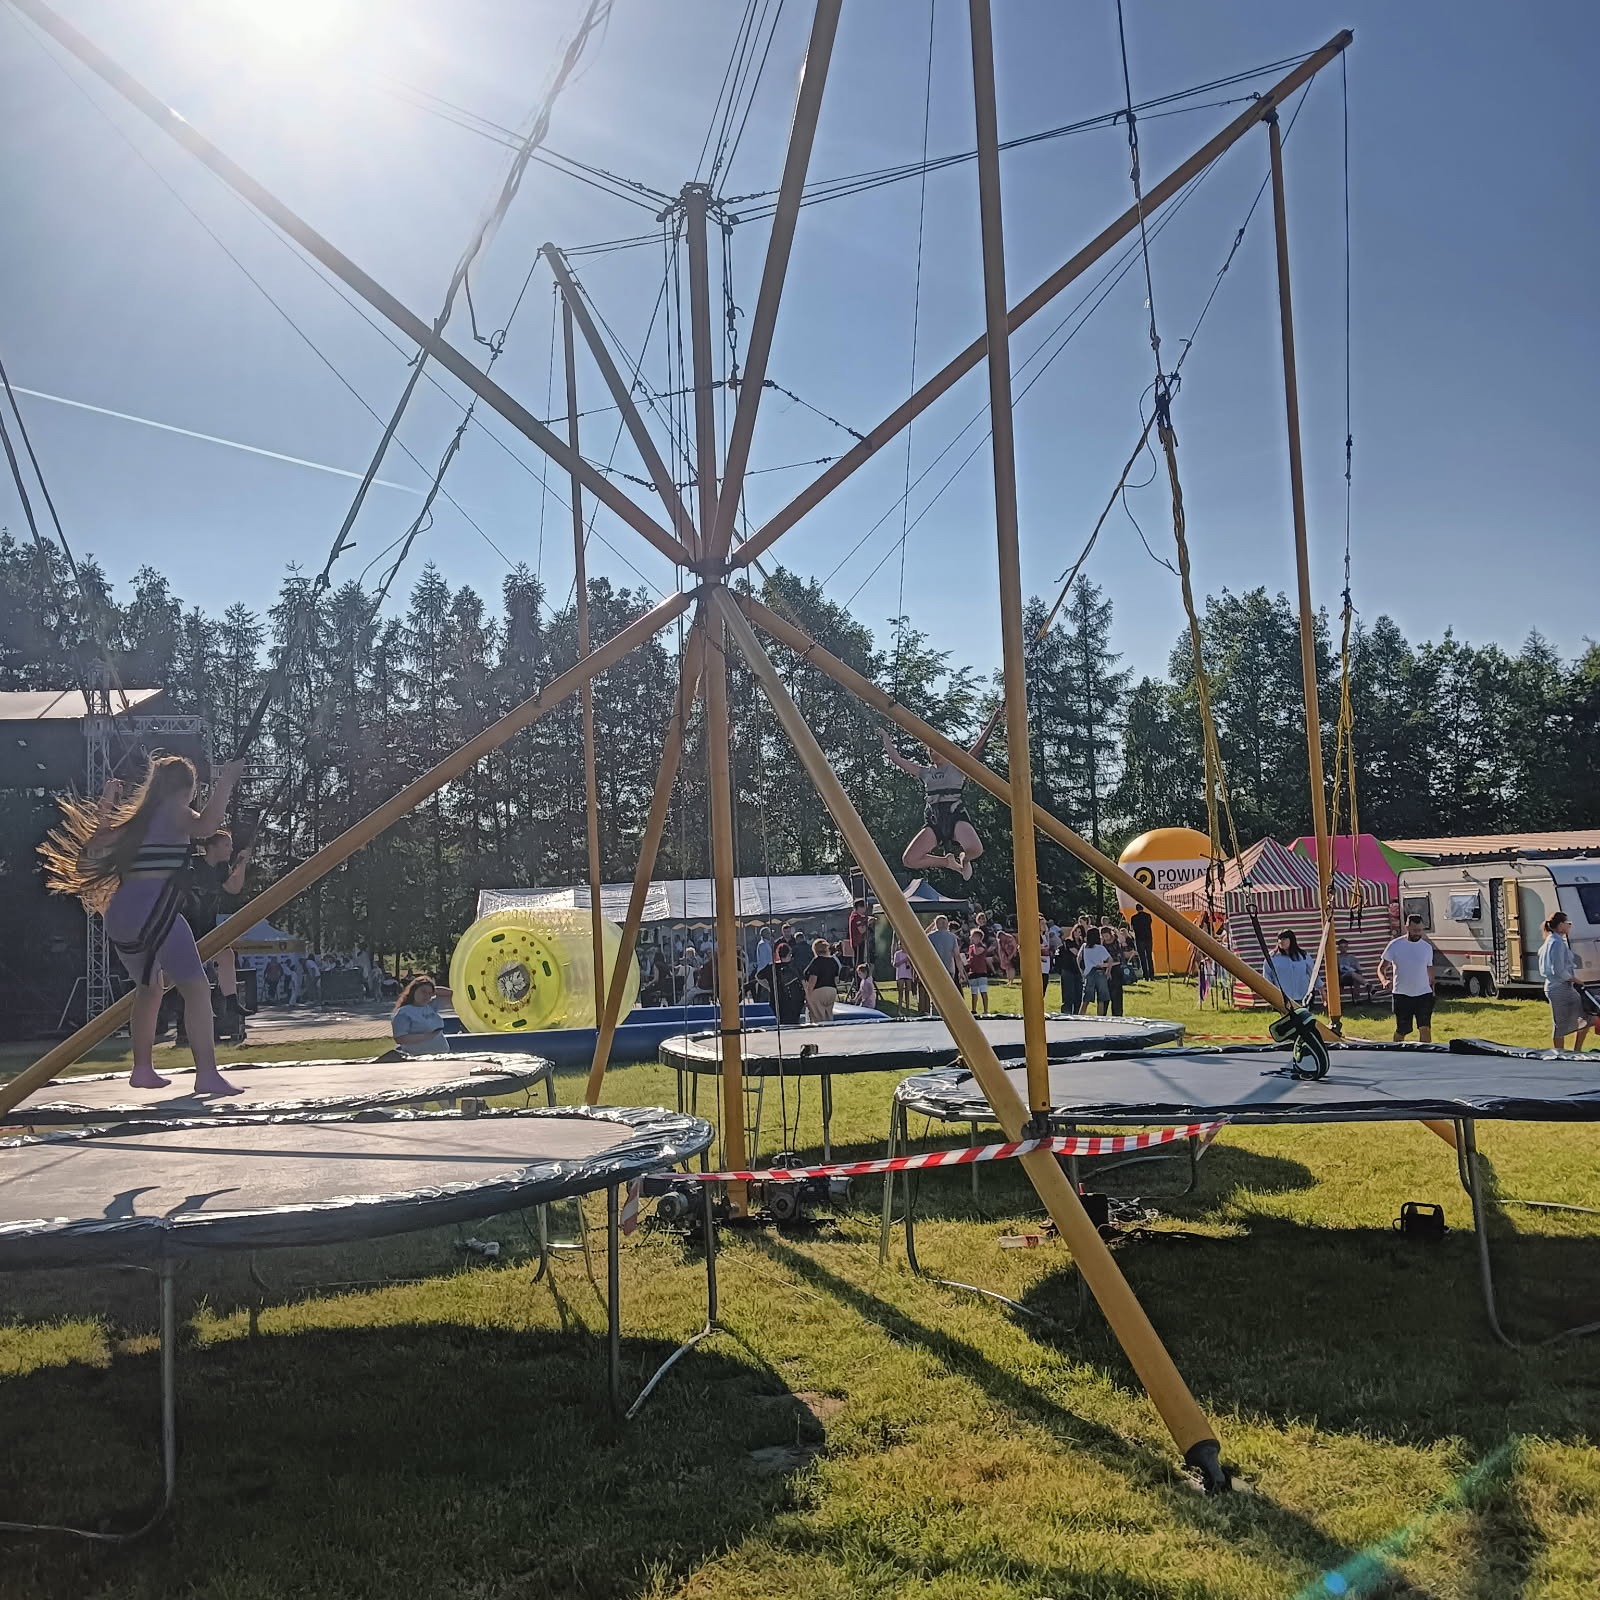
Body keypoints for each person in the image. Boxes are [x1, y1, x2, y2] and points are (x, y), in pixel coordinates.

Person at [40, 753, 246, 1094]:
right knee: (195, 988)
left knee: (150, 989)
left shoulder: (137, 820)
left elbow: (91, 852)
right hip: (155, 912)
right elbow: (208, 827)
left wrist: (106, 808)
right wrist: (226, 781)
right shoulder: (173, 811)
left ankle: (143, 1068)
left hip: (122, 917)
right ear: (189, 788)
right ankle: (207, 1074)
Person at [880, 724, 993, 880]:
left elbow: (978, 746)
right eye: (931, 750)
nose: (933, 752)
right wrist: (886, 739)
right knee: (909, 860)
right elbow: (898, 760)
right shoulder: (925, 772)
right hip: (935, 821)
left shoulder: (958, 767)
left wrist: (993, 720)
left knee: (976, 849)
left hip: (955, 816)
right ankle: (947, 861)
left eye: (937, 749)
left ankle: (963, 859)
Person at [183, 829, 252, 1044]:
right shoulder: (192, 864)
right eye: (226, 845)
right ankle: (196, 1010)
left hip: (207, 925)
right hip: (187, 925)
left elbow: (233, 888)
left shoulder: (221, 868)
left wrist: (241, 864)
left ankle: (230, 1000)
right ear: (211, 847)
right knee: (192, 976)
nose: (230, 849)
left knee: (227, 956)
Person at [1378, 914, 1437, 1044]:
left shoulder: (1426, 948)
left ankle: (1427, 1056)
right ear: (1407, 928)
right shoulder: (1395, 945)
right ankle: (1397, 1052)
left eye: (1420, 930)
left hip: (1423, 994)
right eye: (1415, 930)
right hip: (1402, 994)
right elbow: (1381, 968)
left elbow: (1429, 968)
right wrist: (1384, 980)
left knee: (1425, 1028)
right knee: (1402, 1030)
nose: (1418, 933)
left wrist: (1432, 987)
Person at [1538, 913, 1591, 1051]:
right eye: (1568, 923)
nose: (1570, 926)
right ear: (1561, 925)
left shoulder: (1553, 941)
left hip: (1561, 987)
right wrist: (1576, 980)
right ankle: (1560, 1052)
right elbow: (1558, 969)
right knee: (1561, 1023)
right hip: (1558, 987)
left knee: (1586, 1017)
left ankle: (1576, 1050)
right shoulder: (1555, 943)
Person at [392, 975, 452, 1054]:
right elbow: (400, 1038)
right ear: (414, 991)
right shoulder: (404, 1012)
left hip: (441, 1055)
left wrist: (433, 989)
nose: (426, 996)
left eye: (430, 993)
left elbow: (450, 993)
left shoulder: (431, 1006)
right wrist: (427, 1036)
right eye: (423, 992)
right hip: (418, 1058)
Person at [1263, 929, 1317, 1007]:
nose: (1281, 941)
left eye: (1284, 939)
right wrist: (1271, 995)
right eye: (1279, 939)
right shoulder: (1272, 957)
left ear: (1291, 940)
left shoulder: (1303, 956)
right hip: (1282, 997)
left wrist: (1322, 991)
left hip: (1303, 996)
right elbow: (1267, 977)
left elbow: (1313, 974)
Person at [803, 937, 841, 1023]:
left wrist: (808, 994)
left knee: (818, 1017)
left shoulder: (816, 962)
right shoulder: (833, 961)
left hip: (818, 991)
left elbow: (813, 978)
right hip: (832, 990)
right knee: (829, 1015)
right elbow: (836, 979)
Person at [1079, 926, 1112, 1015]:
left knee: (1086, 998)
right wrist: (1108, 971)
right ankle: (1100, 1018)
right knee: (1101, 998)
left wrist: (1082, 971)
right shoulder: (1100, 948)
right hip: (1100, 971)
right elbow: (1110, 959)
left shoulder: (1084, 946)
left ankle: (1081, 1015)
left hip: (1089, 972)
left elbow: (1078, 958)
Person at [926, 914, 963, 993]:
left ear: (936, 924)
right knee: (948, 992)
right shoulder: (952, 937)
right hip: (949, 968)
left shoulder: (929, 937)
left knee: (936, 993)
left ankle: (934, 1005)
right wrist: (961, 972)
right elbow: (957, 956)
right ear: (946, 924)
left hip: (935, 970)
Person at [1055, 926, 1083, 1014]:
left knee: (1078, 994)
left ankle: (1077, 1013)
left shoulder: (1084, 943)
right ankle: (1066, 1013)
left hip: (1079, 971)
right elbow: (1077, 953)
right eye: (1075, 931)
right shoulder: (1068, 941)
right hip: (1068, 969)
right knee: (1068, 994)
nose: (1076, 934)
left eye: (1079, 932)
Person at [965, 934, 992, 1015]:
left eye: (975, 937)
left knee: (983, 991)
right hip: (973, 972)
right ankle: (973, 1010)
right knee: (973, 992)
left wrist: (975, 945)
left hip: (981, 972)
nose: (973, 938)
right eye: (972, 937)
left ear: (980, 938)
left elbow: (977, 953)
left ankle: (985, 1010)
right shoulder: (970, 948)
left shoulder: (982, 947)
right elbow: (971, 958)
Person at [1130, 905, 1155, 981]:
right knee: (1149, 956)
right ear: (1143, 908)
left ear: (1136, 909)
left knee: (1142, 957)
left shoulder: (1133, 918)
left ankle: (1145, 975)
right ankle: (1151, 975)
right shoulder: (1148, 916)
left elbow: (1132, 928)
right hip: (1148, 938)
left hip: (1139, 938)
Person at [892, 943, 915, 1013]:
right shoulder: (897, 954)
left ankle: (908, 1009)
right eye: (900, 945)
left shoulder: (910, 953)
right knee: (900, 992)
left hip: (908, 975)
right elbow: (895, 964)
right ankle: (900, 1009)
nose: (902, 946)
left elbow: (913, 964)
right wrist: (903, 961)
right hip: (900, 975)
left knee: (907, 992)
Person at [846, 899, 870, 966]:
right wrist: (868, 923)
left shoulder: (858, 916)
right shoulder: (856, 917)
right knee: (858, 960)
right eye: (864, 907)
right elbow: (861, 930)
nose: (865, 909)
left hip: (860, 941)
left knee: (860, 959)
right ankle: (857, 974)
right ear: (859, 907)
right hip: (858, 942)